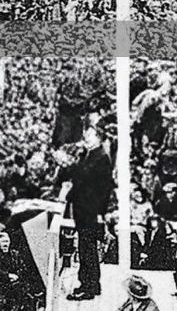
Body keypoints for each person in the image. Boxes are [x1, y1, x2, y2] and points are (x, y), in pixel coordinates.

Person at [65, 125, 114, 301]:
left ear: (99, 138)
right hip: (83, 208)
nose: (86, 137)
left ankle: (89, 286)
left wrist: (100, 212)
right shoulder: (89, 154)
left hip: (90, 210)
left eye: (90, 135)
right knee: (85, 247)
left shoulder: (101, 158)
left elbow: (103, 188)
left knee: (87, 249)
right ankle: (91, 283)